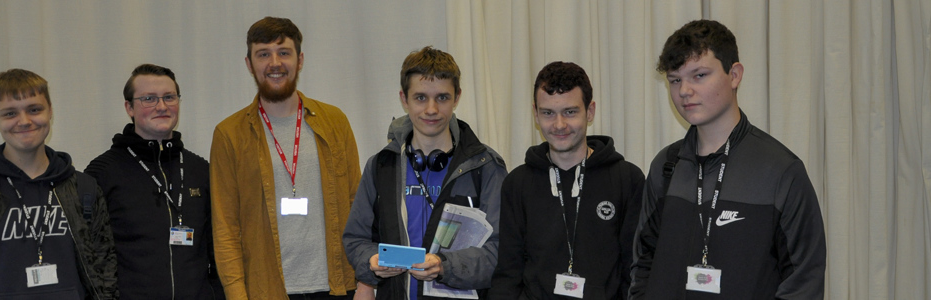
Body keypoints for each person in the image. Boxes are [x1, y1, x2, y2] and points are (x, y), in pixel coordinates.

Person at [630, 20, 826, 299]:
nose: (684, 90)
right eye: (675, 80)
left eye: (699, 75)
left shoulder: (781, 171)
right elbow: (642, 264)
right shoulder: (666, 166)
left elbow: (803, 281)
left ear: (734, 75)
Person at [0, 69, 117, 299]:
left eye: (34, 109)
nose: (24, 121)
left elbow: (106, 276)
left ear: (50, 111)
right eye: (10, 113)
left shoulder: (84, 189)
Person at [210, 16, 361, 300]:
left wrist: (365, 283)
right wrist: (235, 294)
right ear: (249, 64)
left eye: (284, 53)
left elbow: (358, 207)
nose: (275, 63)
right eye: (263, 54)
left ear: (300, 60)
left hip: (338, 286)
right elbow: (225, 227)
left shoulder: (334, 122)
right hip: (264, 289)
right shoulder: (230, 134)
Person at [342, 46, 508, 300]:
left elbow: (500, 250)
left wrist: (444, 266)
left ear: (457, 97)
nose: (431, 109)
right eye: (420, 98)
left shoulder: (485, 167)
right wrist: (371, 262)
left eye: (442, 97)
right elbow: (355, 239)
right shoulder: (381, 166)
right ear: (404, 98)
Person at [489, 62, 645, 300]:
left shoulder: (627, 179)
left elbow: (633, 269)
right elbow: (508, 273)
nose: (559, 125)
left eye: (570, 112)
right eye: (548, 113)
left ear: (590, 111)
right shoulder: (517, 183)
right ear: (535, 113)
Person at [85, 64, 224, 299]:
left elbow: (217, 247)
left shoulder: (200, 170)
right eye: (148, 99)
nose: (161, 106)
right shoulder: (103, 172)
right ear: (129, 107)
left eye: (169, 97)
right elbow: (89, 254)